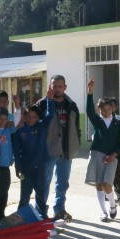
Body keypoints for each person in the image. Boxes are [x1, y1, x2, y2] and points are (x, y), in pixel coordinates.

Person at [36, 75, 81, 222]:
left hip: (65, 150)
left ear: (65, 87)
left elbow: (76, 127)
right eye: (54, 86)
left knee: (62, 182)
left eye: (60, 86)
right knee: (44, 182)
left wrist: (76, 143)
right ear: (50, 87)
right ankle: (41, 213)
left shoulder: (71, 105)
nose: (57, 89)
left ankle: (59, 210)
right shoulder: (42, 104)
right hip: (48, 151)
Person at [85, 78, 120, 222]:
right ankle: (103, 211)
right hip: (97, 154)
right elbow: (89, 111)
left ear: (113, 109)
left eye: (109, 109)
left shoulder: (118, 123)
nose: (106, 112)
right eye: (103, 110)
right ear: (99, 110)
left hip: (112, 157)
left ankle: (113, 205)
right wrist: (90, 93)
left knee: (107, 183)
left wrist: (113, 155)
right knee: (98, 183)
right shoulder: (98, 121)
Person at [12, 104, 53, 217]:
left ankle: (42, 217)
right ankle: (20, 218)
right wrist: (18, 168)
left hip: (40, 168)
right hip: (26, 169)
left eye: (33, 116)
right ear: (25, 117)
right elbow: (16, 152)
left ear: (37, 118)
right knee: (25, 196)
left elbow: (50, 115)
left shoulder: (41, 127)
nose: (30, 119)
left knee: (40, 195)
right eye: (28, 116)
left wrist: (49, 101)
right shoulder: (20, 131)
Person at [0, 106, 19, 222]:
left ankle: (1, 214)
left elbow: (18, 121)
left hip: (5, 168)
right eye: (0, 119)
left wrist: (17, 106)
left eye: (5, 119)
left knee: (4, 192)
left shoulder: (8, 129)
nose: (2, 121)